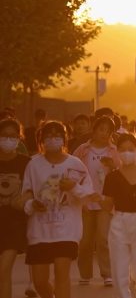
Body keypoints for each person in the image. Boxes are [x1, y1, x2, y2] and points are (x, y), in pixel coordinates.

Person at [22, 121, 95, 298]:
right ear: (41, 140)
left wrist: (73, 187)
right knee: (40, 282)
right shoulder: (34, 164)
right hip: (40, 230)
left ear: (64, 139)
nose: (52, 139)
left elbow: (88, 196)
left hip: (67, 231)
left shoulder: (75, 163)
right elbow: (26, 192)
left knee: (62, 274)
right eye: (48, 136)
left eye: (57, 135)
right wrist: (32, 204)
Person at [101, 134, 136, 298]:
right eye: (123, 150)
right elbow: (107, 205)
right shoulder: (112, 176)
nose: (127, 153)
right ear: (117, 153)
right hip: (119, 221)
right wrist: (97, 197)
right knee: (119, 272)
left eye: (131, 150)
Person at [72, 116, 120, 287]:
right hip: (86, 199)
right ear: (94, 129)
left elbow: (121, 175)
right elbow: (72, 170)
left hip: (105, 201)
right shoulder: (83, 150)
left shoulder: (113, 151)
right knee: (85, 240)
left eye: (108, 131)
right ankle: (85, 273)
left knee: (102, 237)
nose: (104, 134)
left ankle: (107, 273)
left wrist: (113, 166)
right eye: (101, 129)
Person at [0, 118, 31, 298]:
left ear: (19, 138)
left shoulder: (25, 162)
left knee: (4, 269)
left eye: (13, 136)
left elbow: (33, 189)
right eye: (4, 136)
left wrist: (23, 198)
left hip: (15, 224)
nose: (8, 139)